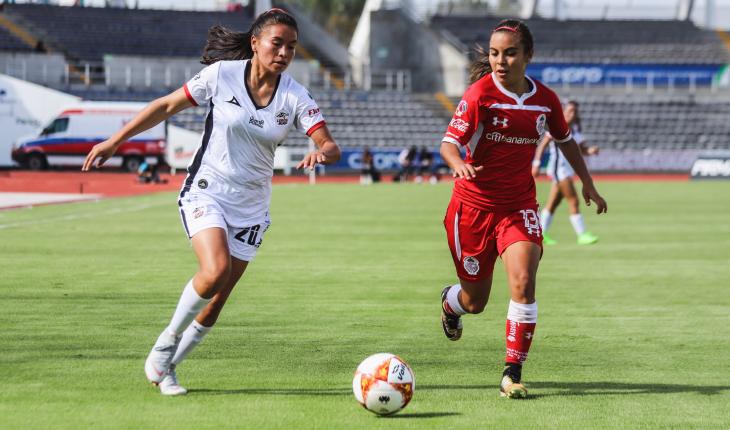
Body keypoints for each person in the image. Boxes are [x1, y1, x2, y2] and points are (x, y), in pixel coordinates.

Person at [82, 9, 340, 396]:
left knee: (216, 301)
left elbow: (329, 143)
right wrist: (116, 141)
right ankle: (164, 344)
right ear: (255, 43)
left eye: (291, 46)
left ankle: (166, 369)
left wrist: (321, 151)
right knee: (215, 269)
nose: (285, 52)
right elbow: (167, 105)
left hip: (252, 207)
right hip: (208, 190)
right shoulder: (221, 75)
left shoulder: (295, 96)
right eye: (277, 43)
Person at [438, 19, 607, 399]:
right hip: (472, 209)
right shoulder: (480, 94)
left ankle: (511, 372)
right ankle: (451, 304)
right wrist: (457, 164)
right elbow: (449, 144)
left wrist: (588, 183)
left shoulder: (545, 99)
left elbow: (566, 142)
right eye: (495, 53)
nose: (501, 61)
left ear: (528, 56)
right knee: (475, 301)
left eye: (510, 53)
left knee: (524, 284)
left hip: (518, 207)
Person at [532, 100, 600, 245]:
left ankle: (541, 233)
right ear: (562, 112)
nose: (572, 114)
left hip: (567, 171)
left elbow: (580, 150)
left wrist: (590, 151)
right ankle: (582, 234)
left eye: (574, 112)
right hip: (559, 170)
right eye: (569, 111)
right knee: (574, 200)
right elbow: (542, 145)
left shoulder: (575, 130)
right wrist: (536, 164)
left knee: (553, 203)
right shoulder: (556, 127)